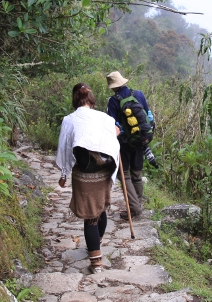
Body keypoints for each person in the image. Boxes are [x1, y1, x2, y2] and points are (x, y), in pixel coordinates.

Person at [56, 83, 121, 274]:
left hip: (83, 174)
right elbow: (117, 131)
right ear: (90, 98)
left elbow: (65, 147)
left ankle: (96, 263)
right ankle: (96, 246)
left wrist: (63, 174)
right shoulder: (104, 118)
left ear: (75, 99)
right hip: (103, 173)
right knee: (99, 210)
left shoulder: (70, 120)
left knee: (90, 216)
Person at [105, 71, 151, 219]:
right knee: (137, 174)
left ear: (113, 86)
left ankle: (135, 208)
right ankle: (137, 205)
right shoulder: (139, 94)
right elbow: (149, 116)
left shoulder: (113, 101)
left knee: (123, 174)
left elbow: (113, 125)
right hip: (140, 140)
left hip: (124, 143)